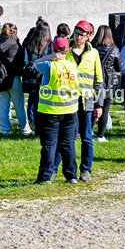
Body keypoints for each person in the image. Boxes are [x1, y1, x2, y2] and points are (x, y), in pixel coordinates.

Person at [33, 37, 81, 184]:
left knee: (49, 144)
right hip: (70, 110)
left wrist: (50, 56)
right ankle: (71, 175)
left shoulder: (49, 65)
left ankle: (45, 177)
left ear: (53, 49)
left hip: (50, 111)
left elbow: (35, 64)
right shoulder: (72, 66)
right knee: (67, 144)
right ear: (67, 51)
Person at [67, 21, 104, 182]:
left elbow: (99, 80)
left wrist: (99, 104)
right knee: (68, 138)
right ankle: (66, 171)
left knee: (87, 137)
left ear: (89, 36)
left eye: (82, 35)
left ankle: (85, 169)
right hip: (68, 101)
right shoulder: (65, 51)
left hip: (87, 101)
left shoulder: (93, 53)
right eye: (76, 34)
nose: (78, 37)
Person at [0, 23, 30, 136]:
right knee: (20, 105)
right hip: (13, 77)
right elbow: (19, 62)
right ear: (14, 32)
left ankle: (5, 130)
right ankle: (25, 129)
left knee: (3, 106)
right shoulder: (14, 42)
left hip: (0, 77)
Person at [20, 17, 52, 126]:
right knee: (43, 97)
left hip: (31, 74)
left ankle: (31, 119)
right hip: (44, 74)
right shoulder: (49, 45)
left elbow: (25, 60)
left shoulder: (29, 44)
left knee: (32, 98)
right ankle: (41, 119)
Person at [92, 25, 121, 143]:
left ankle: (88, 131)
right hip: (109, 82)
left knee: (93, 107)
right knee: (105, 108)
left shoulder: (92, 48)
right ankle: (101, 135)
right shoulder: (114, 49)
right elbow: (119, 67)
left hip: (94, 81)